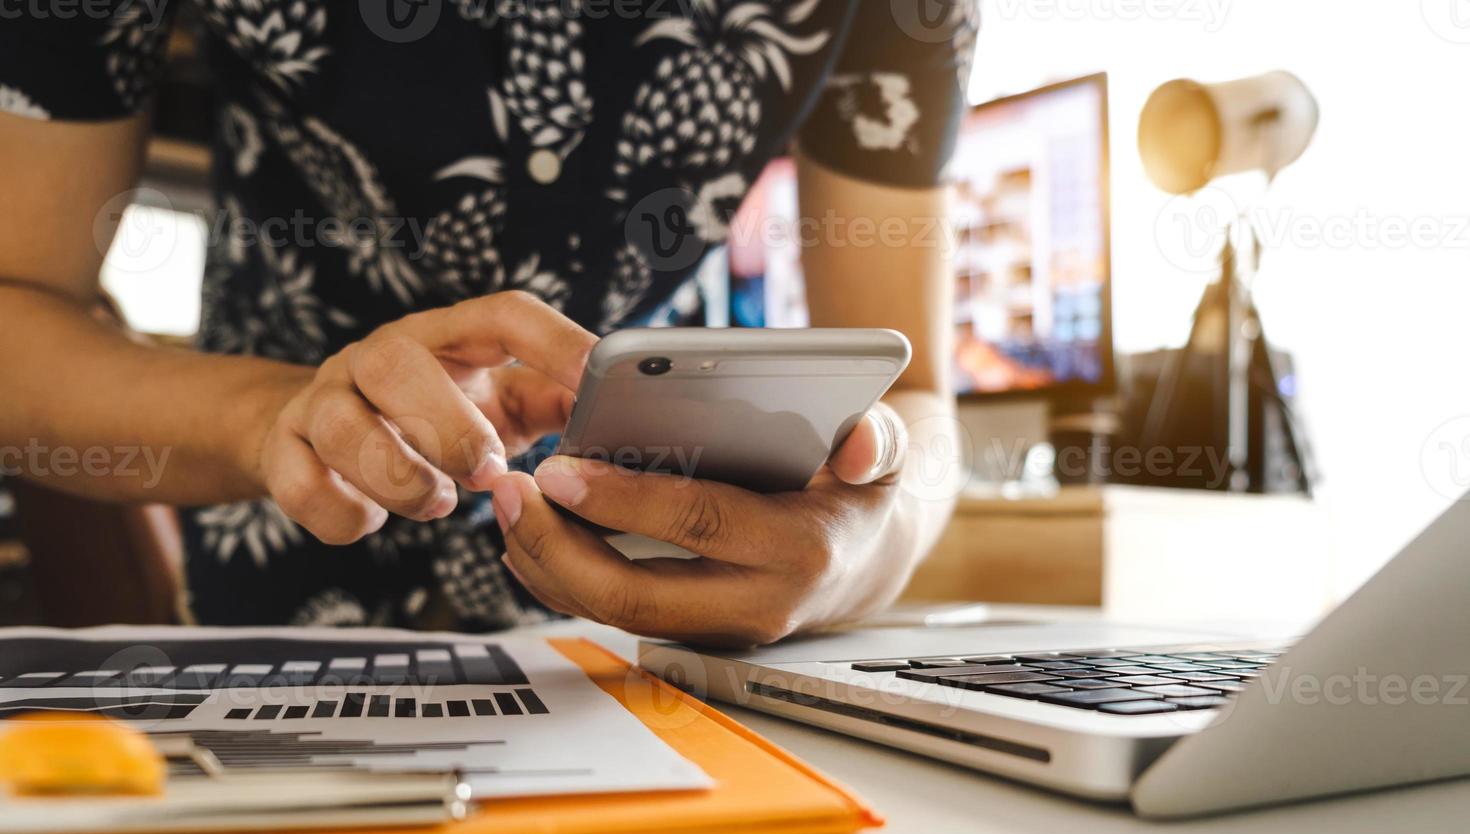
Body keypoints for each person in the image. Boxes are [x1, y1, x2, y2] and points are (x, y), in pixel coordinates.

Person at [0, 0, 976, 645]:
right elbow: (17, 309)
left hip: (658, 645)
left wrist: (865, 547)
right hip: (279, 610)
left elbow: (917, 394)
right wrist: (273, 416)